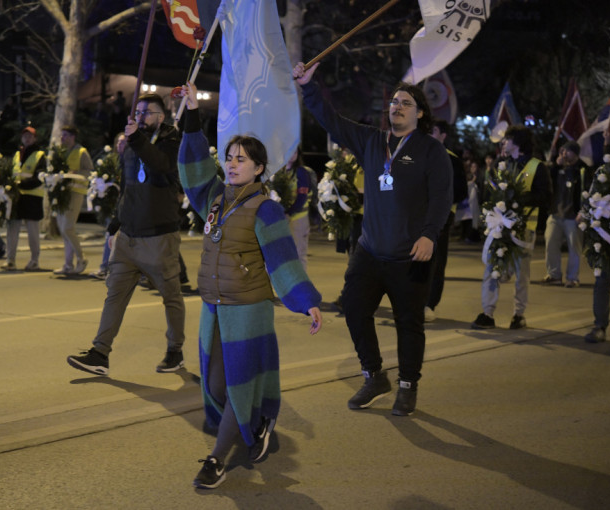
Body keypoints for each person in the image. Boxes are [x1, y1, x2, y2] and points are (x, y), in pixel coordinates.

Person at [178, 83, 322, 489]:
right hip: (214, 308)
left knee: (238, 386)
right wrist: (191, 114)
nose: (232, 163)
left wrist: (305, 300)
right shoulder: (215, 199)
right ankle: (257, 423)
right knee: (217, 385)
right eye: (228, 157)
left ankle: (216, 460)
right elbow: (192, 170)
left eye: (241, 159)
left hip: (249, 311)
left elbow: (282, 261)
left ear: (259, 168)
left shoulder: (267, 208)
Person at [293, 61, 452, 417]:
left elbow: (442, 198)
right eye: (394, 101)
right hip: (369, 252)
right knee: (353, 309)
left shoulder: (431, 150)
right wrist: (308, 86)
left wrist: (429, 236)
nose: (396, 106)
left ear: (420, 113)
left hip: (410, 256)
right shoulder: (371, 141)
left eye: (405, 102)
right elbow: (331, 120)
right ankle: (374, 375)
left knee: (408, 324)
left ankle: (408, 385)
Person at [66, 93, 186, 374]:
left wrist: (136, 139)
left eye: (148, 112)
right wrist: (115, 226)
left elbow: (161, 167)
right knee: (115, 294)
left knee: (171, 296)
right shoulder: (132, 145)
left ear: (161, 116)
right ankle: (99, 353)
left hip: (159, 237)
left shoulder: (172, 140)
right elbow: (128, 188)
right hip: (128, 237)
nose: (142, 116)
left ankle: (175, 350)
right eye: (139, 110)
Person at [471, 125, 551, 330]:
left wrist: (517, 200)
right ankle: (487, 313)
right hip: (499, 225)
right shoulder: (501, 163)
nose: (503, 142)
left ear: (518, 142)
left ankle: (518, 314)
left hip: (523, 228)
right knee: (492, 266)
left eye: (507, 139)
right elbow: (490, 192)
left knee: (521, 272)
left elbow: (546, 197)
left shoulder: (537, 167)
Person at [424, 120, 468, 322]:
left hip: (441, 216)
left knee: (436, 261)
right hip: (416, 215)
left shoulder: (452, 160)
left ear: (442, 135)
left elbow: (461, 192)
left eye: (432, 130)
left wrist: (437, 197)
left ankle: (430, 304)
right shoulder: (417, 155)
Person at [582, 131, 610, 343]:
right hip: (604, 233)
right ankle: (599, 325)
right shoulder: (602, 171)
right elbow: (592, 196)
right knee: (602, 278)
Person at [543, 141, 590, 288]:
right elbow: (546, 181)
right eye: (562, 151)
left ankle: (572, 277)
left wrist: (583, 211)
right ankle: (554, 275)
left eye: (567, 151)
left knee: (574, 247)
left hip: (573, 216)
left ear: (575, 153)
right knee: (551, 243)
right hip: (555, 214)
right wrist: (556, 165)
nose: (564, 154)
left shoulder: (583, 170)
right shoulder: (557, 168)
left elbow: (589, 192)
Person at [1, 126, 45, 271]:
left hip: (32, 197)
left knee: (33, 231)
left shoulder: (40, 155)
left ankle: (34, 261)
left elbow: (40, 178)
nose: (27, 138)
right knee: (12, 228)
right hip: (16, 197)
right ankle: (10, 260)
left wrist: (20, 184)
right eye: (25, 135)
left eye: (30, 136)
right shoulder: (17, 154)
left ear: (35, 138)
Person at [53, 125, 93, 275]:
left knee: (67, 228)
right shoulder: (61, 152)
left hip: (75, 192)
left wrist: (76, 173)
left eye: (65, 136)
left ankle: (81, 258)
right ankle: (68, 264)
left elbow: (89, 171)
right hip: (61, 193)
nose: (62, 138)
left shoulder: (81, 152)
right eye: (61, 136)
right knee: (63, 230)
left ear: (72, 137)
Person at [90, 132, 127, 280]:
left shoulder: (132, 160)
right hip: (113, 205)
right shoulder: (111, 161)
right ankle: (105, 267)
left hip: (127, 206)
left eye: (123, 142)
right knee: (110, 235)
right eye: (118, 141)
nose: (120, 144)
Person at [280, 147, 313, 271]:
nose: (292, 155)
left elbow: (302, 197)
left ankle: (301, 286)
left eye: (295, 152)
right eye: (289, 151)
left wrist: (289, 212)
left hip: (298, 220)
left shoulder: (301, 172)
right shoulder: (281, 172)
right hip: (284, 218)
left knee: (299, 254)